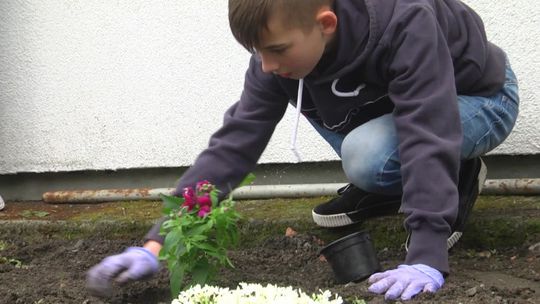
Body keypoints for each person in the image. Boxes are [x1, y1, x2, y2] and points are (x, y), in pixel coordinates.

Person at [86, 0, 519, 301]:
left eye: (276, 50)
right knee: (365, 152)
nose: (268, 65)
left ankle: (456, 175)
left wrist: (427, 253)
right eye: (258, 52)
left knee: (370, 155)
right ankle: (397, 183)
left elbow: (427, 129)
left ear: (326, 23)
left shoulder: (404, 22)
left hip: (477, 99)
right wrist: (157, 241)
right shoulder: (279, 55)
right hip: (395, 112)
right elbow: (235, 145)